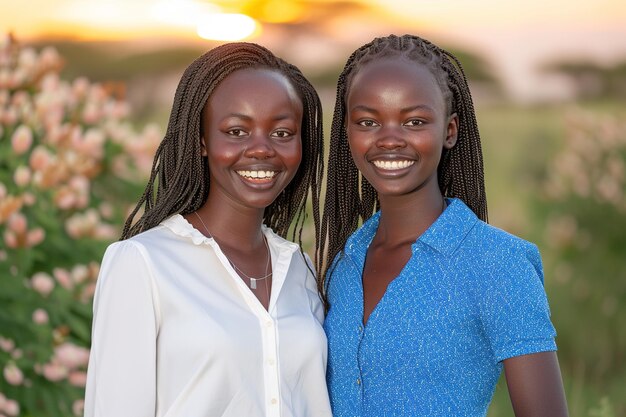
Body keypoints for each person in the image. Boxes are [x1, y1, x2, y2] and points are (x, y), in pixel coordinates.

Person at [317, 34, 569, 417]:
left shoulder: (498, 265)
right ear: (347, 133)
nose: (389, 140)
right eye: (368, 121)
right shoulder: (344, 262)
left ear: (449, 130)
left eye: (414, 121)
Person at [84, 42, 331, 417]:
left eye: (282, 133)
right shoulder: (143, 264)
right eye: (236, 130)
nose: (261, 149)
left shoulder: (298, 269)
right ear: (202, 140)